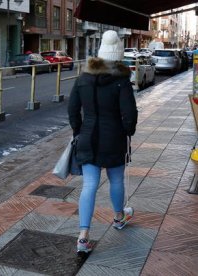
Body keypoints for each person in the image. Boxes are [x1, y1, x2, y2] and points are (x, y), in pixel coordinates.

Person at [68, 30, 138, 254]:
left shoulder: (83, 78)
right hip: (114, 138)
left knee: (89, 184)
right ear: (117, 55)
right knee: (116, 180)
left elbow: (72, 109)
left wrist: (79, 130)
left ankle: (83, 236)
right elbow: (130, 112)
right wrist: (129, 131)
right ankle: (118, 218)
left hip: (87, 137)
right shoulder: (121, 80)